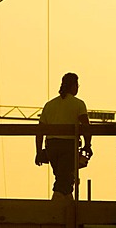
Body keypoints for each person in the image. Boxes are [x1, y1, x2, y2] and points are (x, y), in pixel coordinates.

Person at [35, 72, 92, 200]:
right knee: (63, 180)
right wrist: (88, 145)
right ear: (73, 86)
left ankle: (66, 208)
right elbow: (86, 126)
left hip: (52, 146)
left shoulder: (49, 105)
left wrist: (39, 152)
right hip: (68, 145)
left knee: (63, 179)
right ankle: (55, 211)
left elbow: (39, 131)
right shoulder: (78, 104)